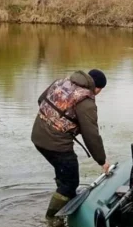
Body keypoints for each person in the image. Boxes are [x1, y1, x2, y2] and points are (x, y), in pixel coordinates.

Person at [31, 69, 110, 218]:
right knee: (70, 183)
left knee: (64, 173)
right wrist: (102, 160)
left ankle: (61, 196)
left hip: (37, 136)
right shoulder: (86, 102)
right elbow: (91, 135)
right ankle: (52, 219)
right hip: (56, 145)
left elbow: (41, 100)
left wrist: (59, 121)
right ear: (97, 88)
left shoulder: (61, 82)